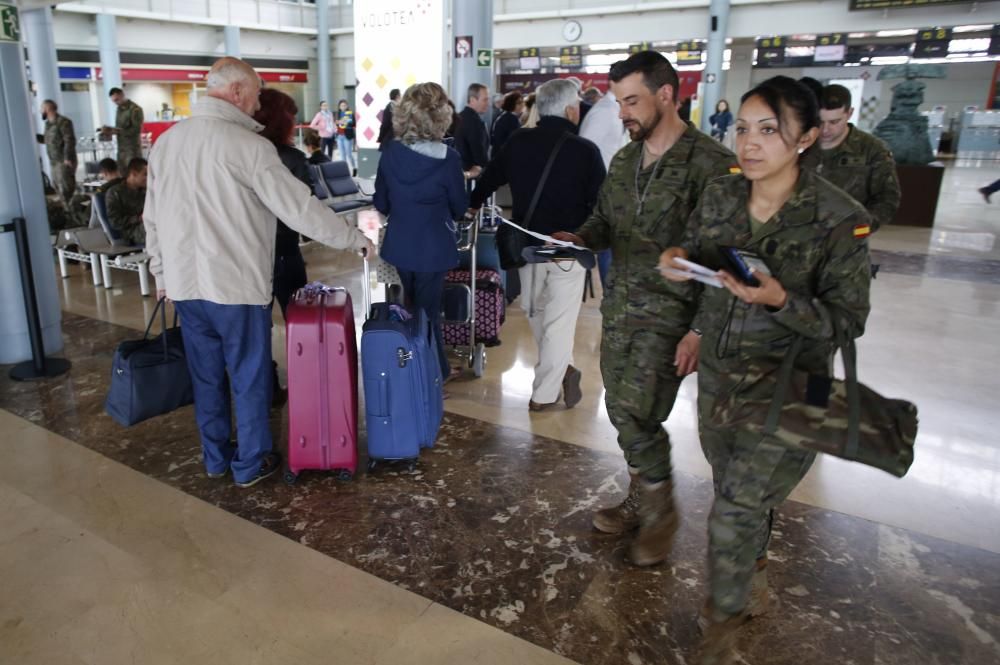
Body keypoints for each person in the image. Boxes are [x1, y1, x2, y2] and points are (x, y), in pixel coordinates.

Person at [659, 75, 872, 664]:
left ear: (804, 138)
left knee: (734, 507)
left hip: (789, 388)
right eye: (743, 130)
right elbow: (703, 257)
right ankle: (752, 565)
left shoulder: (838, 218)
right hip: (722, 379)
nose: (749, 145)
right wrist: (682, 266)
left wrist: (781, 301)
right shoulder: (724, 195)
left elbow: (848, 321)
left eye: (769, 131)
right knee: (735, 488)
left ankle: (719, 630)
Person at [143, 57, 373, 489]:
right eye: (255, 92)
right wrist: (352, 239)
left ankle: (215, 459)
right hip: (235, 286)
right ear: (235, 92)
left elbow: (151, 218)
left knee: (206, 377)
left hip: (185, 286)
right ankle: (249, 464)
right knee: (249, 377)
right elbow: (299, 208)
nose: (257, 102)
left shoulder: (167, 144)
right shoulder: (250, 148)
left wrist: (162, 276)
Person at [551, 51, 738, 567]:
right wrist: (579, 237)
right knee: (620, 408)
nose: (623, 114)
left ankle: (660, 514)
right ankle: (643, 496)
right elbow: (604, 220)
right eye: (618, 103)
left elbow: (726, 257)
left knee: (636, 413)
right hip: (622, 308)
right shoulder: (626, 161)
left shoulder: (712, 164)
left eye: (632, 101)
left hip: (673, 315)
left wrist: (699, 330)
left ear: (666, 95)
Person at [471, 79, 605, 412]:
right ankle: (565, 368)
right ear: (571, 110)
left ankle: (544, 394)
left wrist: (472, 203)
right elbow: (601, 205)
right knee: (555, 323)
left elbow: (490, 177)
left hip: (528, 248)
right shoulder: (585, 151)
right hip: (568, 251)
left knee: (536, 314)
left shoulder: (518, 141)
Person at [374, 82, 468, 385]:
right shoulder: (449, 158)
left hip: (400, 245)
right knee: (428, 312)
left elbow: (381, 202)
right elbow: (458, 207)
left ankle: (413, 368)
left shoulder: (390, 152)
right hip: (434, 248)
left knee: (410, 307)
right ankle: (432, 375)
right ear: (442, 116)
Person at [801, 84, 900, 233]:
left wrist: (859, 231)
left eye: (834, 122)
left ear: (849, 113)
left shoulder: (872, 150)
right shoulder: (801, 145)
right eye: (820, 122)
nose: (825, 129)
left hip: (847, 238)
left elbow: (887, 199)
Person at [578, 86, 628, 291]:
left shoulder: (616, 109)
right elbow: (584, 152)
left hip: (617, 189)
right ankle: (611, 295)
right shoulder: (604, 112)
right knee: (608, 248)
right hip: (604, 191)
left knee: (613, 247)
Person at [38, 99, 77, 205]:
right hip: (53, 162)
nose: (40, 111)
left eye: (41, 108)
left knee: (66, 189)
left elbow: (70, 140)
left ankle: (72, 215)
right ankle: (66, 213)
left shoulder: (64, 122)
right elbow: (47, 140)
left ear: (47, 109)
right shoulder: (48, 125)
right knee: (57, 188)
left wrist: (67, 158)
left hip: (63, 161)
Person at [105, 157, 147, 246]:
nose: (148, 178)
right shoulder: (115, 193)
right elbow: (115, 222)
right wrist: (139, 218)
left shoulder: (146, 191)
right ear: (134, 174)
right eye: (145, 174)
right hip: (131, 232)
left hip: (147, 225)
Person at [454, 83, 490, 180]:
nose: (488, 103)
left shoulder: (459, 117)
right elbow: (480, 156)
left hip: (459, 174)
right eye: (485, 99)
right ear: (473, 100)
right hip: (472, 177)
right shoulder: (475, 122)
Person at [106, 87, 144, 173]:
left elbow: (136, 129)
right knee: (122, 174)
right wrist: (111, 131)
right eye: (113, 101)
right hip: (121, 148)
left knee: (134, 173)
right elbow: (121, 127)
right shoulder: (119, 109)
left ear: (122, 95)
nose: (115, 103)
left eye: (117, 100)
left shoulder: (135, 109)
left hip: (132, 149)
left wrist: (118, 131)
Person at [335, 99, 357, 175]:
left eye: (344, 105)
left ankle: (354, 168)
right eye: (341, 105)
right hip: (339, 136)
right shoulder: (338, 113)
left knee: (349, 154)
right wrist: (337, 122)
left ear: (347, 106)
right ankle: (344, 172)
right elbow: (337, 124)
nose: (343, 107)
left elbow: (354, 124)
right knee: (342, 155)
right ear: (339, 106)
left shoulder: (350, 113)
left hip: (347, 136)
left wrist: (347, 122)